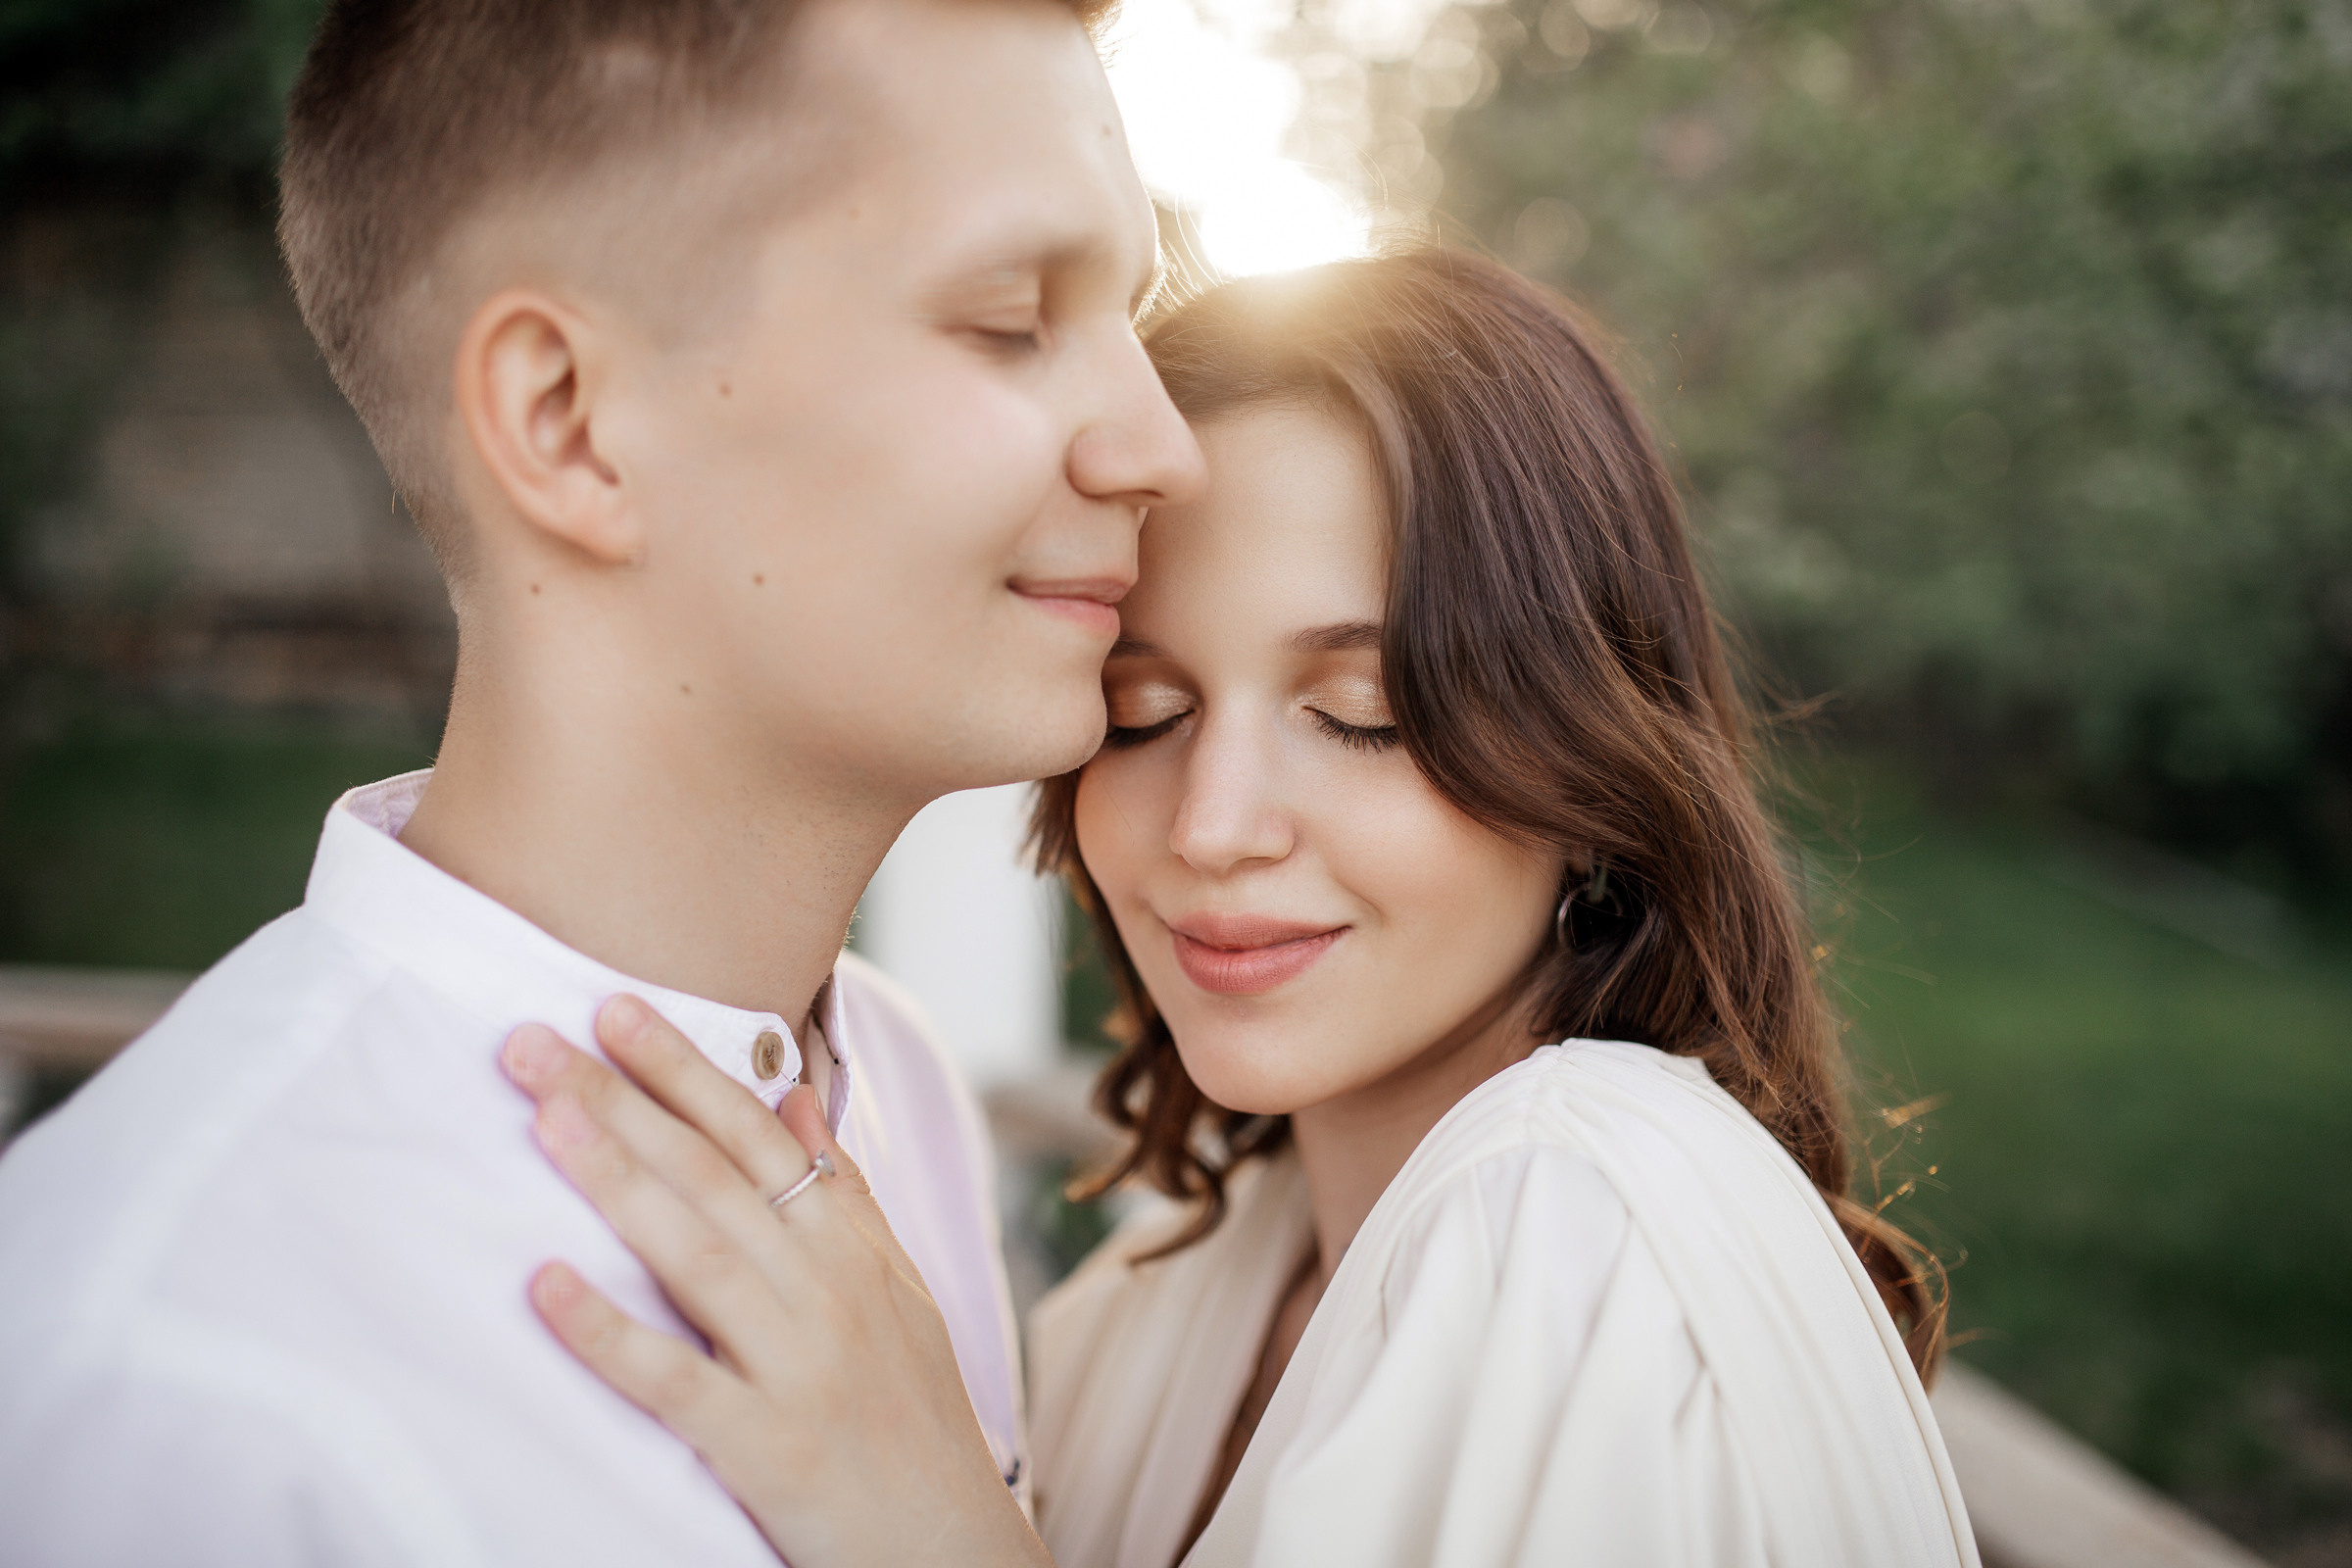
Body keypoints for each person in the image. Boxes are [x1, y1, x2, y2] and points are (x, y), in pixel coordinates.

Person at [505, 249, 1984, 1568]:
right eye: (1141, 712)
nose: (1211, 827)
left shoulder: (1587, 1223)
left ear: (1584, 755)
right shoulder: (1166, 1304)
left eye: (1361, 714)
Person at [0, 0, 1200, 1562]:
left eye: (1136, 314)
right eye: (1006, 320)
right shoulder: (152, 1381)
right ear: (569, 423)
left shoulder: (892, 1087)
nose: (1160, 443)